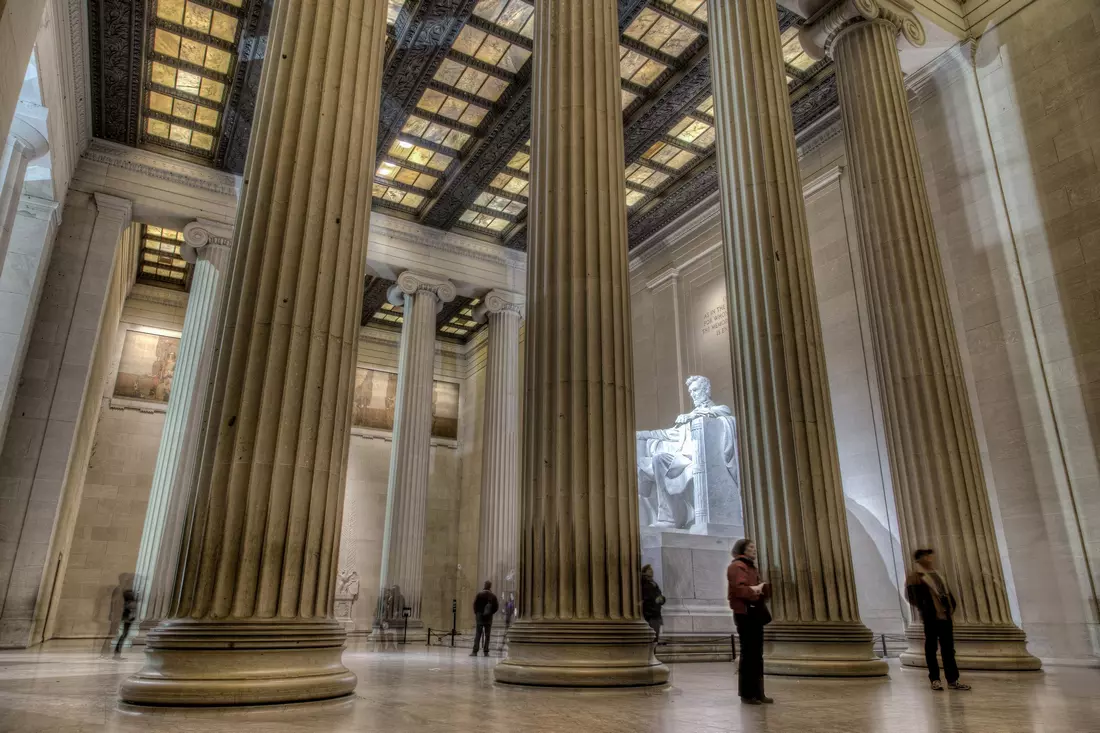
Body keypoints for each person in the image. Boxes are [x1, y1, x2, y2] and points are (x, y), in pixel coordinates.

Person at [906, 548, 971, 691]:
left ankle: (953, 680)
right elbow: (911, 596)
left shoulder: (938, 574)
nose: (930, 558)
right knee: (931, 648)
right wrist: (924, 608)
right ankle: (935, 679)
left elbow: (946, 592)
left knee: (948, 649)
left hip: (944, 616)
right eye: (927, 556)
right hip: (931, 617)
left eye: (930, 556)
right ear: (920, 558)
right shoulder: (915, 577)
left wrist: (951, 607)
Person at [727, 538, 772, 705]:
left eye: (754, 546)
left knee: (757, 655)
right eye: (751, 547)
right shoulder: (737, 566)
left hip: (755, 612)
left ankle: (759, 693)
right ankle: (747, 694)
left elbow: (757, 589)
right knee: (749, 654)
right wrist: (755, 590)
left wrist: (762, 588)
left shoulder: (751, 567)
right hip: (745, 613)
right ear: (742, 549)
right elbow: (740, 590)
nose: (754, 549)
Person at [471, 580, 499, 657]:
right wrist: (491, 612)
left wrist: (477, 613)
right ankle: (486, 651)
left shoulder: (479, 594)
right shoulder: (493, 596)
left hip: (479, 616)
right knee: (487, 635)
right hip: (488, 617)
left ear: (485, 585)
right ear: (490, 586)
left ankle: (475, 651)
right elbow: (496, 607)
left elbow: (475, 604)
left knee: (478, 634)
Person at [640, 564, 665, 645]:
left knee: (655, 637)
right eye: (649, 570)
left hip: (655, 614)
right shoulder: (644, 584)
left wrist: (661, 599)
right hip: (650, 614)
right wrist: (656, 601)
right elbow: (647, 598)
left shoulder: (654, 584)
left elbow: (659, 596)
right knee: (652, 639)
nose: (652, 571)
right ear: (644, 573)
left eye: (651, 570)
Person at [113, 576, 137, 659]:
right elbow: (130, 604)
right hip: (128, 616)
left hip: (127, 615)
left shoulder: (126, 591)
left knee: (124, 634)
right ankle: (117, 653)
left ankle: (117, 652)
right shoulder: (127, 591)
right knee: (124, 634)